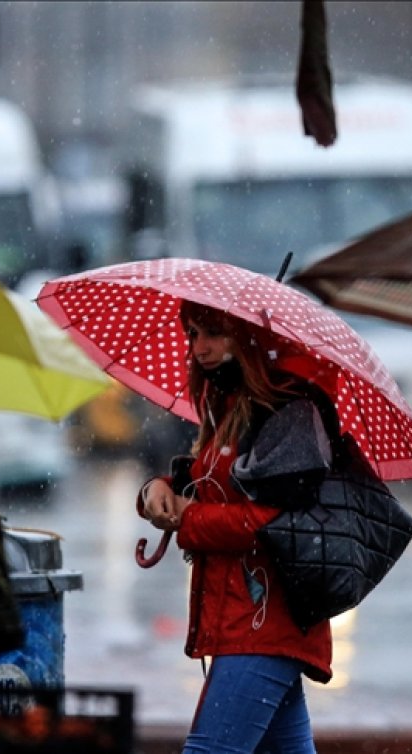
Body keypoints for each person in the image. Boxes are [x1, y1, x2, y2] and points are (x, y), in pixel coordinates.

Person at [138, 300, 334, 754]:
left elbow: (275, 520)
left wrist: (189, 516)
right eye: (192, 334)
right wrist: (156, 490)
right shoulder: (223, 402)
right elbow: (213, 484)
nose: (199, 347)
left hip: (267, 617)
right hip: (242, 617)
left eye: (213, 333)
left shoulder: (286, 410)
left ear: (246, 337)